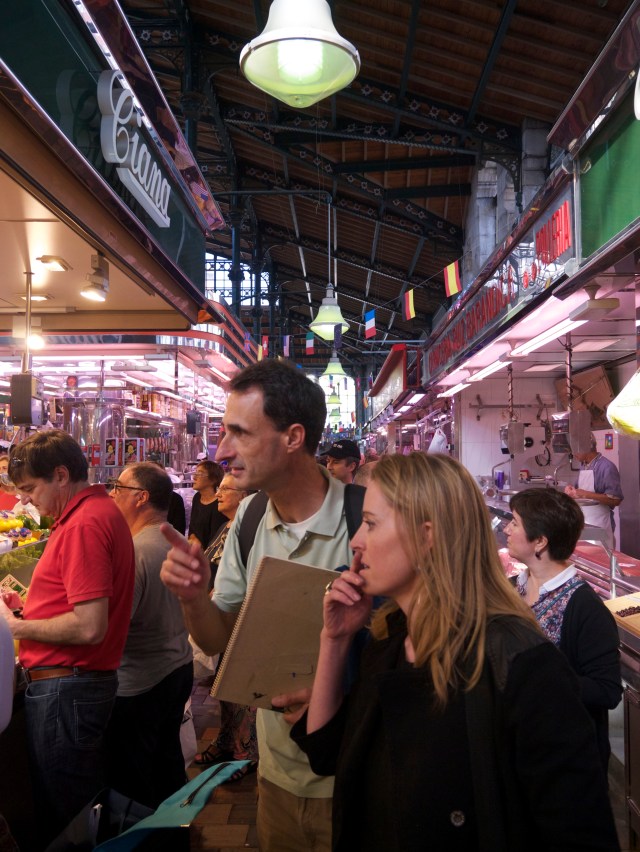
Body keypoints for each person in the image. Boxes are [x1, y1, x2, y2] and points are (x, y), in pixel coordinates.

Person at [291, 453, 620, 852]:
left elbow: (579, 832)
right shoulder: (390, 644)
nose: (357, 541)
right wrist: (335, 640)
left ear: (427, 536)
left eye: (371, 524)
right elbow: (326, 755)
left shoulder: (522, 663)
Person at [161, 359, 360, 852]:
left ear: (293, 437)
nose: (223, 451)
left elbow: (420, 651)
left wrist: (340, 691)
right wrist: (193, 599)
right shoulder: (249, 517)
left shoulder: (367, 518)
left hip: (359, 777)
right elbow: (218, 638)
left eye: (239, 433)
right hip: (276, 777)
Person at [0, 430, 135, 845]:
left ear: (61, 475)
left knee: (68, 817)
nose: (28, 501)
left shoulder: (84, 523)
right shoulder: (90, 512)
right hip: (72, 685)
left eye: (30, 489)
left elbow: (90, 625)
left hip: (67, 688)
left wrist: (15, 628)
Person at [506, 487, 622, 771]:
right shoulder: (511, 589)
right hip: (519, 750)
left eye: (515, 523)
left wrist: (541, 681)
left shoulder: (584, 607)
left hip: (564, 760)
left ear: (540, 542)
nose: (506, 529)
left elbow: (607, 690)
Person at [107, 462, 194, 808]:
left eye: (119, 488)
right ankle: (173, 836)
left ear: (141, 497)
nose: (113, 494)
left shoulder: (136, 550)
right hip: (176, 669)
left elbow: (115, 628)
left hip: (141, 683)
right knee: (167, 765)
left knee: (134, 783)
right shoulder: (175, 540)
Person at [193, 473, 258, 781]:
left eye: (226, 489)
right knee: (224, 685)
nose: (218, 494)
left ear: (245, 497)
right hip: (220, 616)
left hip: (241, 618)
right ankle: (226, 740)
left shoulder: (249, 530)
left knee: (242, 687)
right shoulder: (225, 525)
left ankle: (244, 751)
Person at [565, 434, 623, 550]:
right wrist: (571, 490)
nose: (573, 454)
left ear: (586, 447)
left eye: (575, 450)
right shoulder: (584, 465)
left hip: (600, 523)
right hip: (584, 521)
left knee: (601, 557)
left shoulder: (607, 467)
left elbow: (616, 499)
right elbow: (579, 490)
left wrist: (585, 494)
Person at [188, 459, 225, 548]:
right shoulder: (197, 497)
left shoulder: (220, 503)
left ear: (213, 479)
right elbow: (192, 527)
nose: (194, 477)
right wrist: (192, 537)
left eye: (199, 474)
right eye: (195, 473)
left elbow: (216, 541)